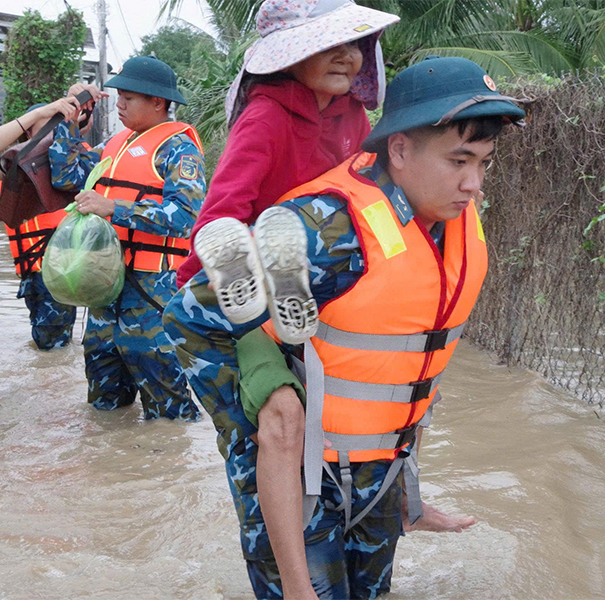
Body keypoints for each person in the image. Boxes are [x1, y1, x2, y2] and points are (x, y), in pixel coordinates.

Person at [163, 56, 525, 599]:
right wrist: (267, 404)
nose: (473, 184)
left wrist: (409, 488)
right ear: (399, 150)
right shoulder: (331, 229)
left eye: (484, 163)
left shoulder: (451, 222)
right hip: (304, 475)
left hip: (378, 474)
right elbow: (186, 315)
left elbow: (410, 364)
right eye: (458, 161)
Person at [177, 0, 398, 341]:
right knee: (245, 244)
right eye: (329, 44)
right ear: (291, 55)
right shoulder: (265, 117)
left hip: (324, 252)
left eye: (353, 44)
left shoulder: (351, 114)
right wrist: (189, 285)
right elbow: (222, 210)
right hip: (264, 246)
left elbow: (370, 181)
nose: (346, 56)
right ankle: (264, 288)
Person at [49, 56, 204, 421]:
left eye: (129, 98)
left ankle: (166, 476)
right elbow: (66, 177)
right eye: (118, 96)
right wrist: (70, 124)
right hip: (106, 288)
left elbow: (185, 217)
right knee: (103, 399)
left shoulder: (179, 149)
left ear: (158, 102)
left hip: (152, 294)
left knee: (168, 411)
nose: (118, 104)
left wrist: (113, 208)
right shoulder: (115, 143)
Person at [4, 101, 91, 349]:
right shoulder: (15, 174)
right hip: (38, 276)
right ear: (29, 133)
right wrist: (37, 114)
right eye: (48, 124)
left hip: (71, 273)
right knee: (49, 348)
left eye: (59, 125)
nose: (54, 133)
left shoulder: (75, 166)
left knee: (57, 349)